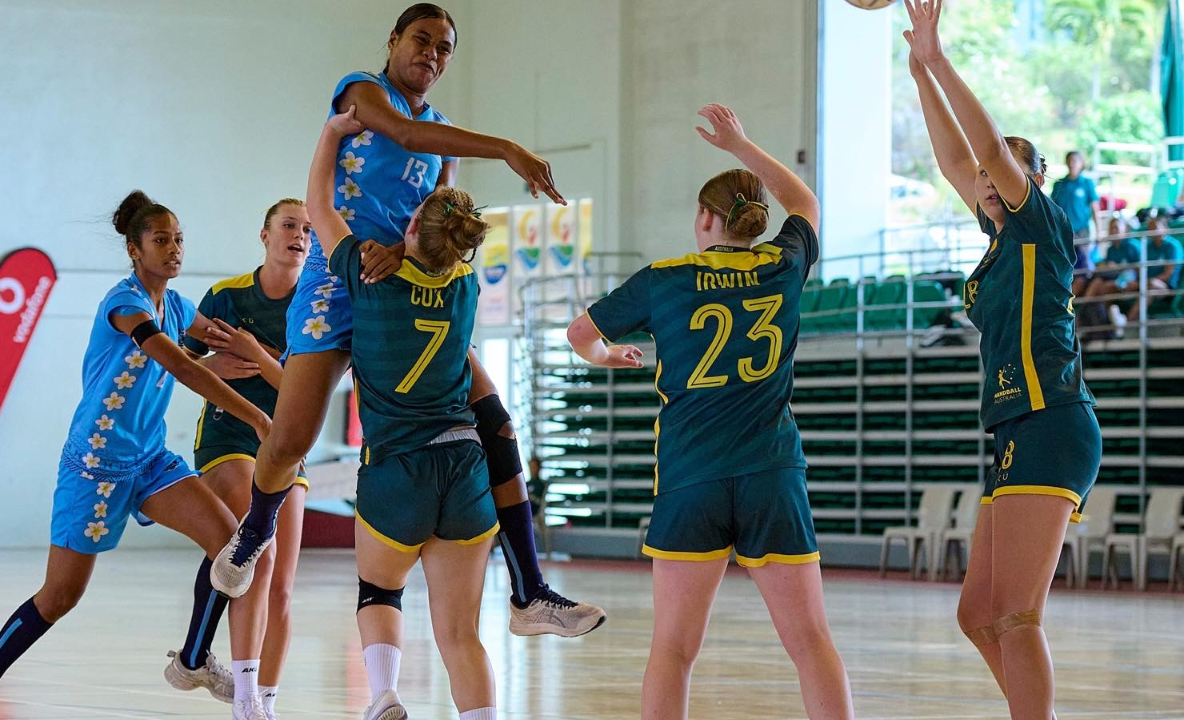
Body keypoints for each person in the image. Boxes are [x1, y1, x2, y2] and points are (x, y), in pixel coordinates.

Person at [211, 2, 604, 638]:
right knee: (291, 440)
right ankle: (256, 530)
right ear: (393, 40)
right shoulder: (362, 93)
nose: (433, 54)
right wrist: (507, 148)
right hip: (337, 278)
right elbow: (405, 135)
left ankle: (530, 591)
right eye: (422, 39)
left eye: (445, 48)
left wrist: (405, 249)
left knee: (497, 423)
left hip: (404, 288)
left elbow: (436, 213)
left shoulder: (442, 132)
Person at [566, 104, 854, 720]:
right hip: (770, 473)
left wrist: (608, 355)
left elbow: (578, 335)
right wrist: (741, 146)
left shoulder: (664, 278)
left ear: (704, 218)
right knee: (811, 644)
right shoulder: (782, 265)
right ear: (755, 220)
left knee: (673, 650)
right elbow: (805, 202)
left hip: (690, 477)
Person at [0, 191, 272, 720]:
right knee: (60, 596)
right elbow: (180, 364)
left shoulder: (178, 306)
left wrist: (280, 354)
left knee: (229, 545)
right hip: (94, 467)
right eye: (160, 240)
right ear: (134, 250)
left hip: (149, 460)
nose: (174, 248)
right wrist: (257, 417)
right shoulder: (125, 304)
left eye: (179, 239)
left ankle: (192, 660)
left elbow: (224, 343)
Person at [905, 2, 1100, 717]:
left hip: (1052, 419)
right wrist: (918, 74)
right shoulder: (997, 243)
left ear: (1032, 180)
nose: (988, 179)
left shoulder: (1040, 224)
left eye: (1005, 171)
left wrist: (941, 59)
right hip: (1015, 427)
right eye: (985, 179)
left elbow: (982, 147)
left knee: (1016, 612)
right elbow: (957, 160)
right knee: (978, 613)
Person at [312, 108, 499, 720]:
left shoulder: (371, 274)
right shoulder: (466, 287)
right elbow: (443, 228)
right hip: (465, 465)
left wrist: (332, 135)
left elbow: (320, 208)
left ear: (410, 223)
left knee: (379, 589)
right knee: (461, 635)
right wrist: (449, 165)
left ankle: (384, 695)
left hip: (398, 464)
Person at [163, 199, 312, 719]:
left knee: (283, 589)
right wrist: (215, 366)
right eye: (289, 225)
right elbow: (177, 363)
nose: (300, 236)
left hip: (287, 442)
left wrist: (256, 352)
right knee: (257, 554)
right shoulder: (226, 296)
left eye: (308, 229)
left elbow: (305, 390)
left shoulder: (316, 306)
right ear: (265, 235)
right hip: (228, 435)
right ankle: (243, 698)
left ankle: (265, 701)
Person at [1051, 151, 1100, 294]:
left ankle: (1083, 294)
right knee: (1064, 263)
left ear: (1081, 163)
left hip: (1082, 230)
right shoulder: (1059, 184)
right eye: (1070, 160)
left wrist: (1099, 231)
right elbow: (1053, 208)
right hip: (1063, 231)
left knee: (1084, 263)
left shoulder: (1086, 183)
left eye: (1075, 160)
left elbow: (1094, 208)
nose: (1072, 164)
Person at [1126, 209, 1181, 322]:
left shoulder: (1173, 246)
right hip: (1144, 284)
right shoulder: (1147, 246)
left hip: (1166, 288)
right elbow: (1138, 269)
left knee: (1152, 285)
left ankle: (1127, 321)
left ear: (1165, 228)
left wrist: (1141, 283)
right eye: (1149, 228)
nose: (1151, 231)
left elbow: (1167, 275)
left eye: (1155, 227)